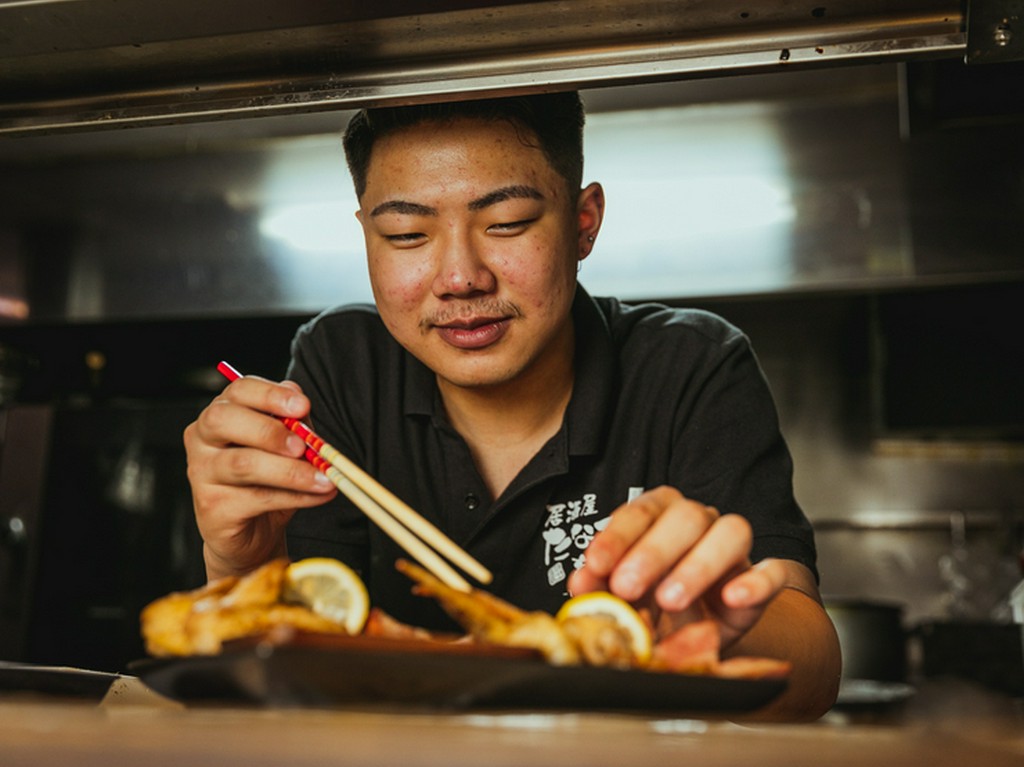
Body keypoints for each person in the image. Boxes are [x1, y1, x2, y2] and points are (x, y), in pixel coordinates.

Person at [184, 91, 841, 720]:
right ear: (365, 233)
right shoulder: (342, 367)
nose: (461, 276)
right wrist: (241, 563)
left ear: (583, 222)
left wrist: (713, 620)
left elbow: (812, 673)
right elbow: (293, 682)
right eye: (407, 233)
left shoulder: (690, 365)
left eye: (508, 223)